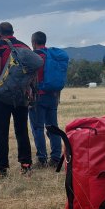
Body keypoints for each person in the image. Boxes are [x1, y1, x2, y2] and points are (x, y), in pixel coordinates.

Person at [0, 22, 34, 177]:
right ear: (13, 32)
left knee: (1, 132)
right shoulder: (25, 46)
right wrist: (30, 89)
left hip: (2, 95)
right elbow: (31, 70)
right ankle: (26, 165)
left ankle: (1, 169)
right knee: (22, 131)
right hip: (21, 94)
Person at [29, 31, 63, 168]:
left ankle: (42, 159)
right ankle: (55, 158)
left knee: (38, 128)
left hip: (38, 95)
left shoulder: (34, 56)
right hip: (53, 95)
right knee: (53, 128)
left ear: (33, 42)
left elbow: (31, 76)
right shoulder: (52, 55)